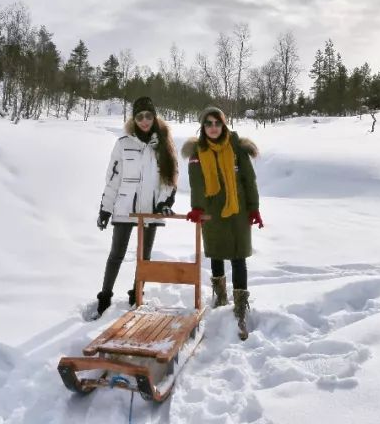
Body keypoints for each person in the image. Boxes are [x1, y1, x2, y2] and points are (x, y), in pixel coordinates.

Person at [93, 96, 178, 319]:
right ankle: (104, 298)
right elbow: (112, 179)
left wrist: (163, 202)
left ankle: (136, 294)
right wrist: (106, 208)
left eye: (148, 116)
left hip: (150, 210)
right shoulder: (123, 144)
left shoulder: (164, 145)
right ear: (134, 118)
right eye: (139, 116)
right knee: (116, 254)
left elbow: (169, 180)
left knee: (145, 257)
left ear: (154, 116)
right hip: (125, 208)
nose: (144, 120)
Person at [183, 105, 262, 340]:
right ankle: (220, 295)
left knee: (239, 256)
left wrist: (254, 208)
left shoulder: (237, 148)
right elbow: (196, 183)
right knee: (216, 252)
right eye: (208, 123)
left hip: (237, 210)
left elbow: (249, 180)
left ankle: (240, 306)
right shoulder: (197, 152)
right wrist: (197, 208)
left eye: (217, 123)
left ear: (224, 125)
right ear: (202, 127)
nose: (213, 127)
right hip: (211, 210)